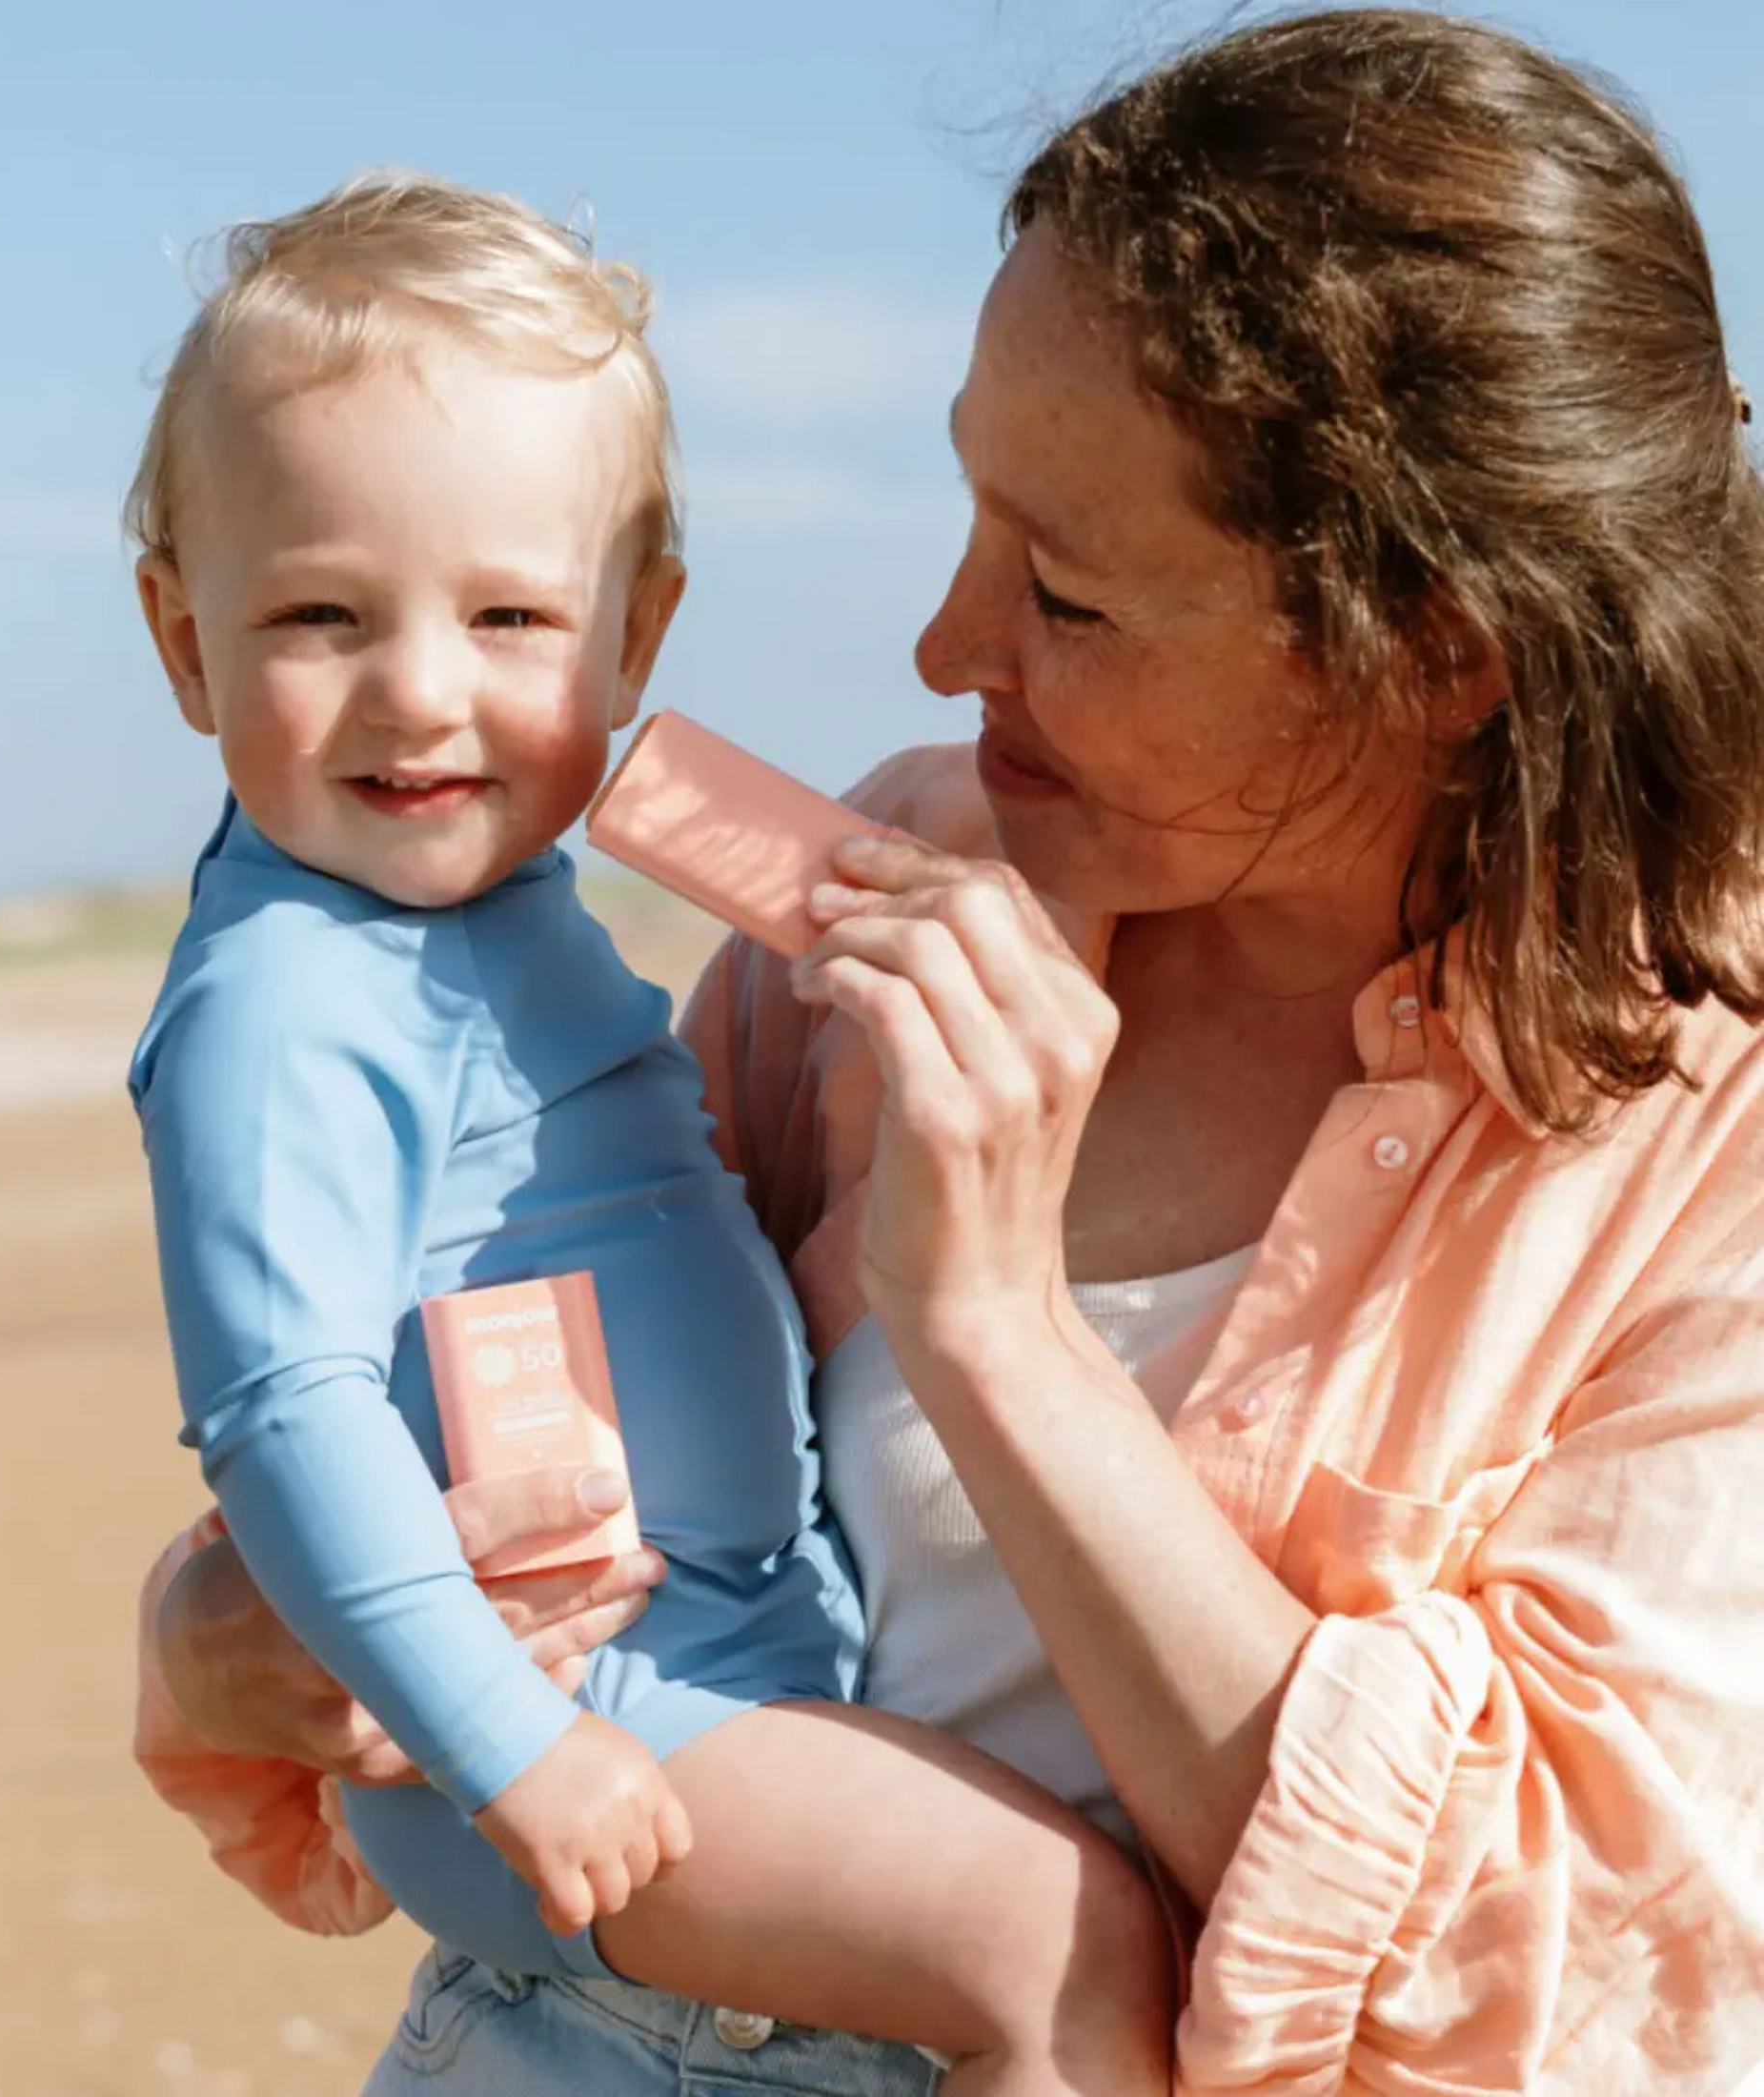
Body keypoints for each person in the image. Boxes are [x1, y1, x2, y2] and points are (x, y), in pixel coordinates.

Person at [132, 13, 1764, 2094]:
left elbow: (1520, 1983)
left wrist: (993, 1324)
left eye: (1064, 594)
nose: (937, 641)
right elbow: (458, 1379)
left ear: (1435, 653)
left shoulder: (1694, 1169)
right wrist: (215, 1633)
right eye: (971, 509)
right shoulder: (892, 884)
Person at [123, 170, 1173, 2095]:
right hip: (580, 1707)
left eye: (511, 613)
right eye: (316, 614)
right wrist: (503, 1742)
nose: (421, 690)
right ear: (186, 644)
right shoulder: (289, 997)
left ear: (638, 636)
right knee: (1066, 1945)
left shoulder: (476, 913)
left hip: (703, 1670)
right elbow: (283, 1407)